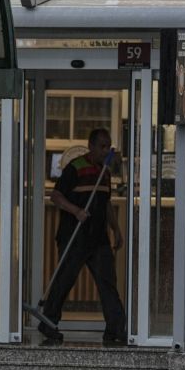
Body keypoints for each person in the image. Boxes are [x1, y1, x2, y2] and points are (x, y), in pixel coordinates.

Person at [39, 128, 126, 345]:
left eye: (108, 146)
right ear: (91, 145)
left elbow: (105, 204)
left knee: (108, 283)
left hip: (98, 238)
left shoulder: (105, 172)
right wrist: (76, 211)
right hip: (74, 236)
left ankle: (115, 329)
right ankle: (48, 323)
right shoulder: (76, 167)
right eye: (102, 146)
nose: (106, 150)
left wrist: (116, 229)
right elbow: (55, 196)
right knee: (64, 281)